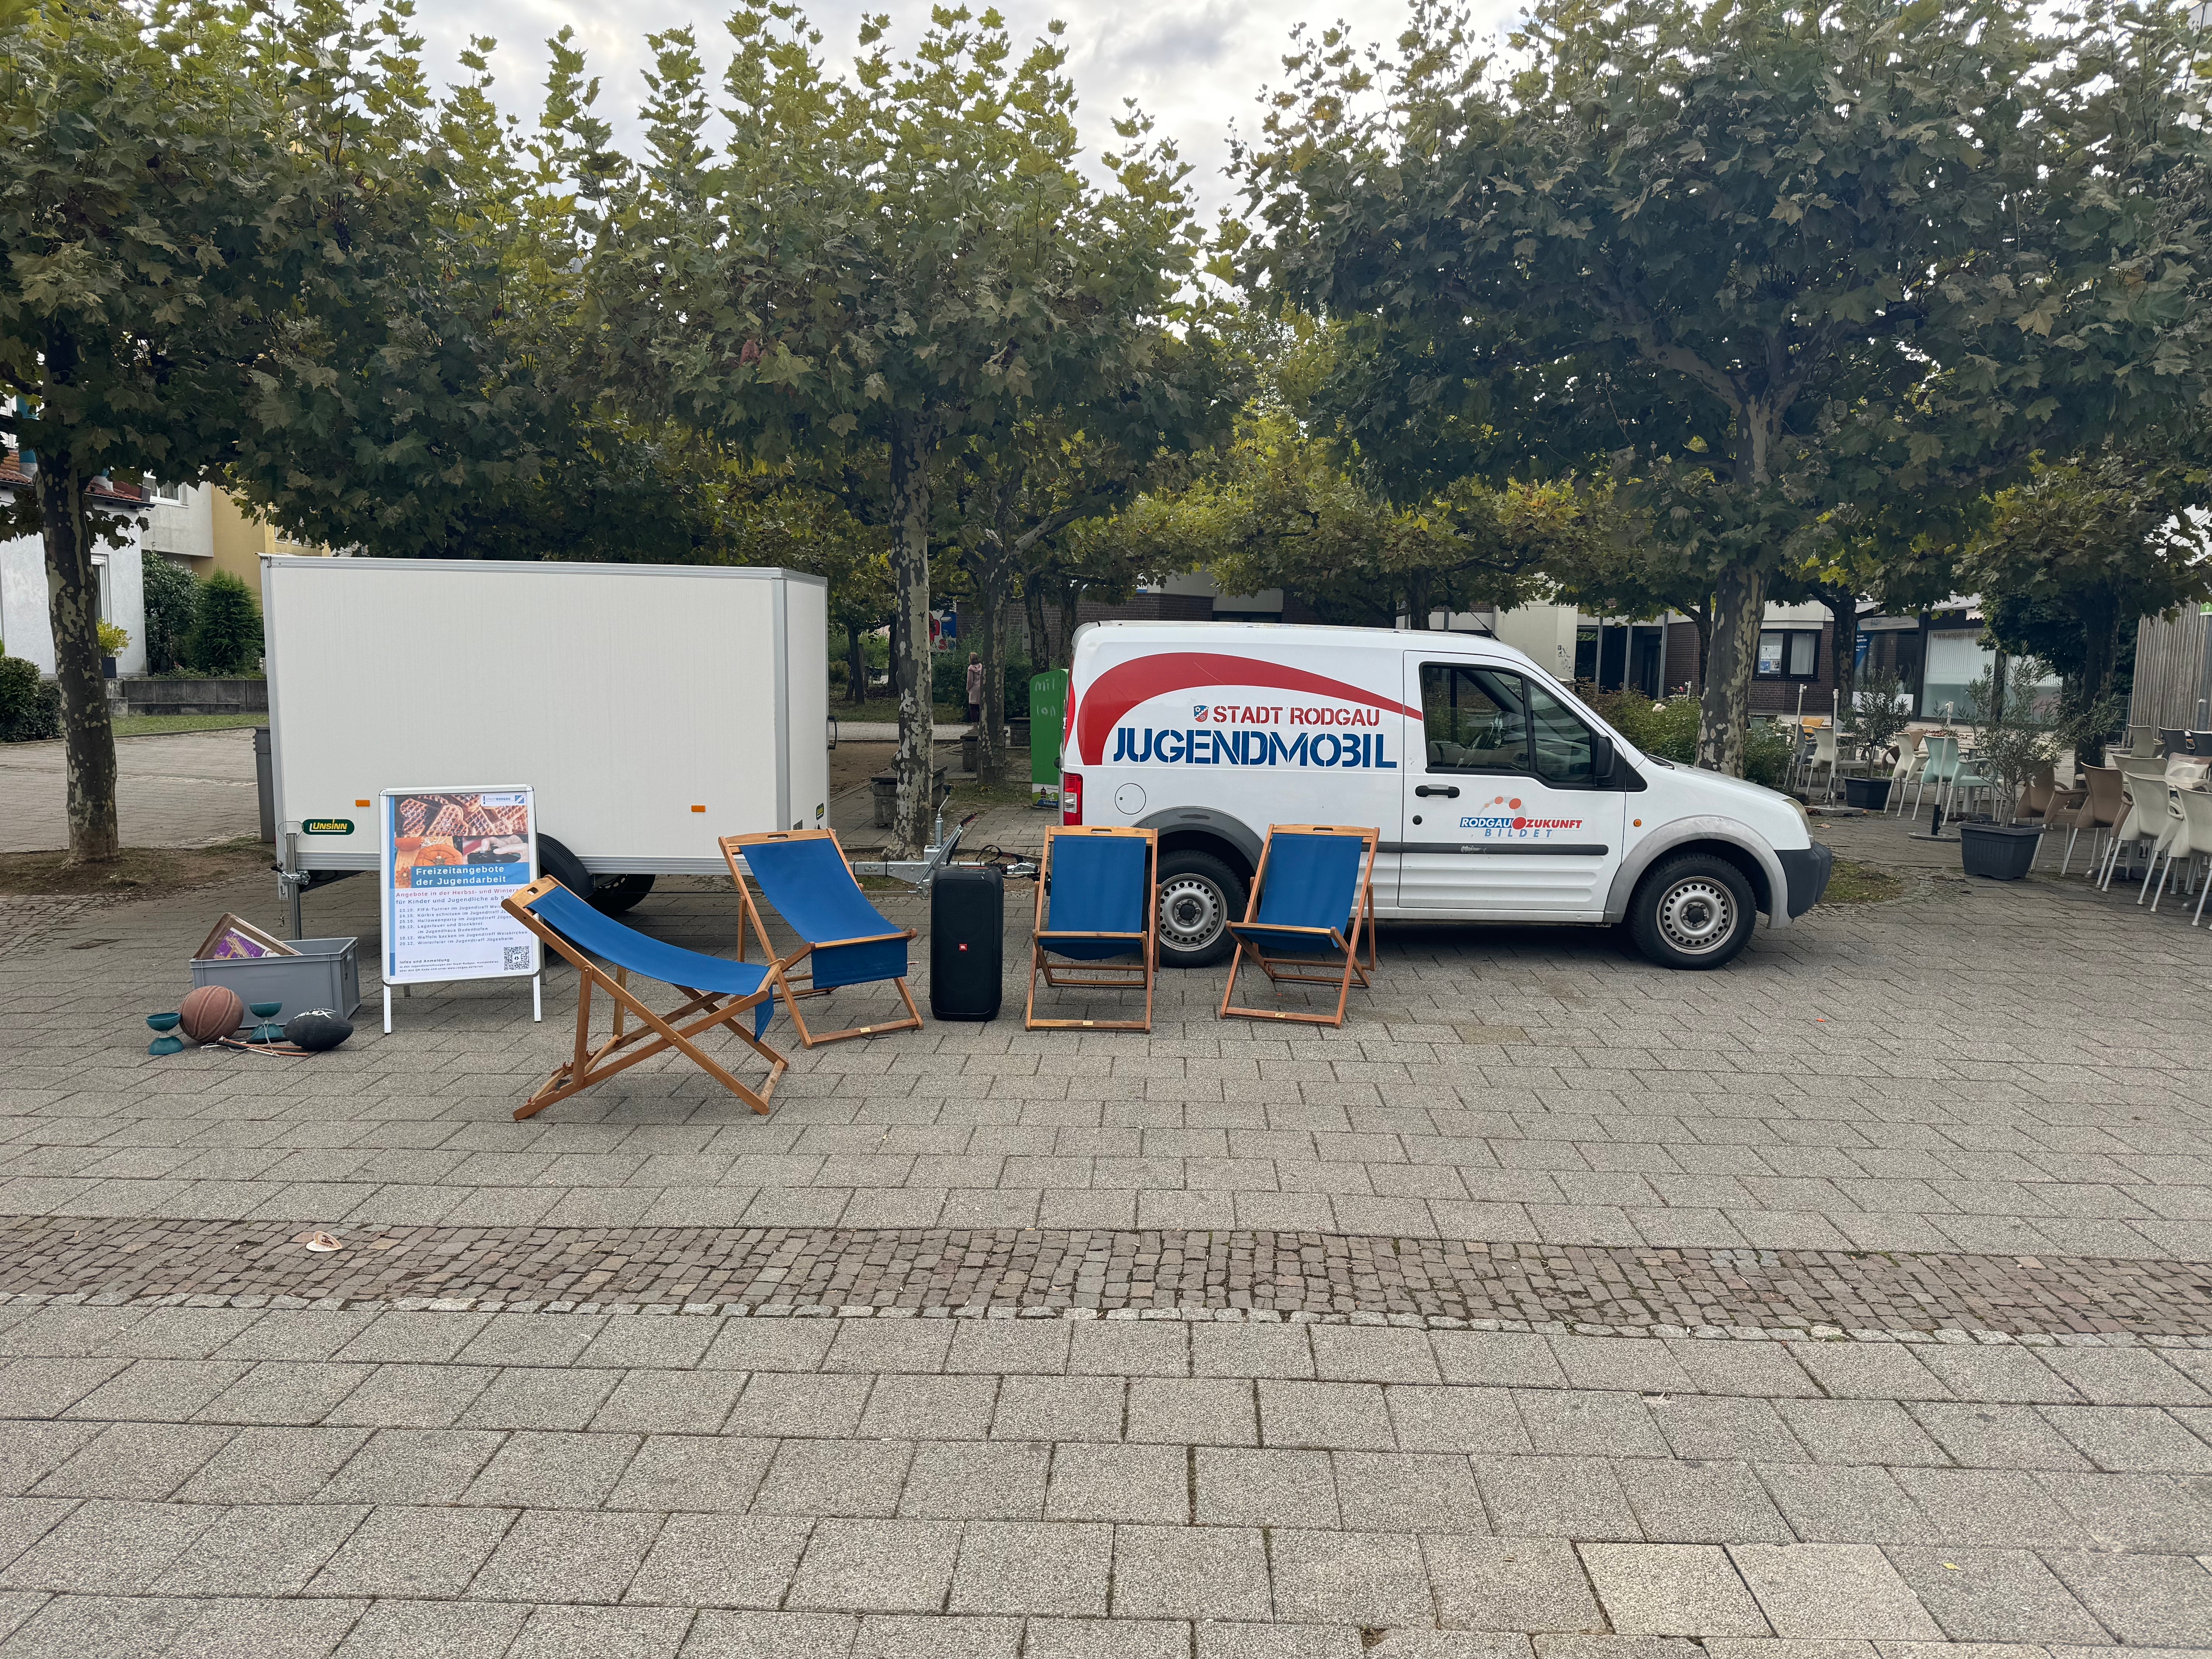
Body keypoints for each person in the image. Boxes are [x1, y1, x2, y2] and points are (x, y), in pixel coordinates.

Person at [965, 652, 984, 725]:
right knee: (981, 706)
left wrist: (968, 689)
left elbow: (970, 681)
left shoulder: (970, 669)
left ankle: (975, 725)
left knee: (973, 707)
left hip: (974, 689)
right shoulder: (981, 666)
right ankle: (982, 723)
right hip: (982, 688)